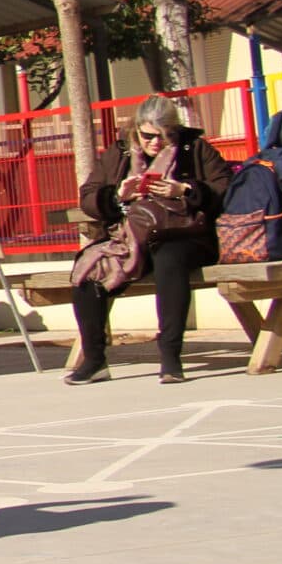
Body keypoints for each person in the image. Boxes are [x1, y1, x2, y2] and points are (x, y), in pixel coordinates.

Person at [66, 95, 231, 388]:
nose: (157, 143)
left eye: (167, 136)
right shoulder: (119, 153)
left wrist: (184, 190)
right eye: (149, 136)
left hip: (185, 234)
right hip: (131, 236)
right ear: (136, 130)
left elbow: (224, 189)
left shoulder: (195, 148)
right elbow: (89, 195)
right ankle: (94, 361)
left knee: (169, 260)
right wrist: (118, 195)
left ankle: (170, 356)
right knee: (89, 268)